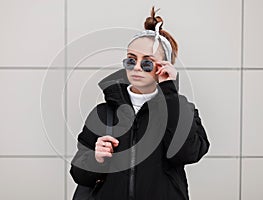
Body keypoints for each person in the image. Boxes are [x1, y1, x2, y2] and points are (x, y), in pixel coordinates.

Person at [70, 6, 210, 200]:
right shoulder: (103, 113)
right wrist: (96, 159)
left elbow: (187, 154)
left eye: (147, 63)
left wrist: (169, 91)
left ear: (163, 67)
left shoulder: (182, 111)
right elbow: (79, 175)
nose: (136, 68)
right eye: (131, 60)